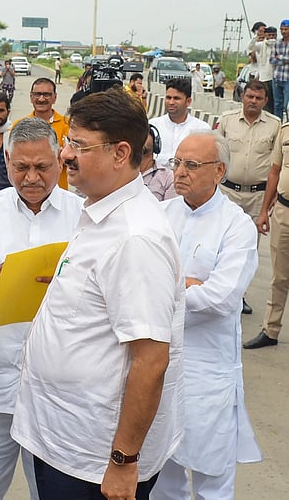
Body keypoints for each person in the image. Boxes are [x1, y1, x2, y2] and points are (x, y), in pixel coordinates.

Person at [11, 88, 184, 500]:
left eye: (80, 146)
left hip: (95, 462)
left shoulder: (135, 237)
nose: (66, 155)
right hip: (66, 440)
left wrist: (123, 462)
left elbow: (151, 359)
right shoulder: (100, 212)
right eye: (69, 141)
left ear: (120, 153)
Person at [0, 117, 83, 500]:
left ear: (59, 159)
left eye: (42, 167)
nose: (31, 177)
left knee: (54, 493)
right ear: (7, 160)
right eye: (21, 167)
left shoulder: (83, 216)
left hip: (60, 390)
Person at [153, 131, 262, 500]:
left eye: (192, 165)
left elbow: (223, 297)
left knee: (211, 481)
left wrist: (167, 287)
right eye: (177, 163)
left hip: (208, 372)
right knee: (162, 476)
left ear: (219, 171)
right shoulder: (161, 214)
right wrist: (188, 284)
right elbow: (138, 276)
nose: (180, 172)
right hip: (159, 363)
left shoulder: (237, 226)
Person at [215, 79, 281, 314]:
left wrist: (267, 205)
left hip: (257, 196)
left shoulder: (275, 126)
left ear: (265, 101)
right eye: (249, 96)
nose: (253, 101)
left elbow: (277, 167)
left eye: (258, 98)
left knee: (248, 249)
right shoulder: (226, 121)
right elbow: (216, 156)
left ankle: (238, 296)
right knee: (219, 243)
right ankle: (216, 292)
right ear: (242, 97)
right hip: (226, 192)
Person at [246, 101, 289, 348]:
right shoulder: (285, 131)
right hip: (283, 211)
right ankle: (270, 331)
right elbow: (274, 171)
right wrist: (264, 211)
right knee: (280, 276)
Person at [14, 78, 70, 190]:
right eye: (37, 94)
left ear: (55, 98)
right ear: (31, 97)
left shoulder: (67, 125)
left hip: (58, 192)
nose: (41, 99)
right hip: (26, 190)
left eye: (46, 95)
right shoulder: (19, 126)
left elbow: (71, 159)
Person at [149, 77, 210, 167]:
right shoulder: (153, 126)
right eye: (168, 98)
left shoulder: (202, 129)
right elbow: (147, 158)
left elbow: (202, 161)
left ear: (188, 101)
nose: (171, 102)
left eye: (176, 98)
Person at [141, 125, 177, 201]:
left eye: (145, 134)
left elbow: (170, 210)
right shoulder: (121, 171)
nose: (140, 138)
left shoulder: (168, 177)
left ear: (156, 145)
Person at [270, 20, 289, 122]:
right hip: (277, 77)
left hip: (287, 78)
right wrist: (285, 60)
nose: (284, 31)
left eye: (286, 29)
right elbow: (272, 60)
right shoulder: (277, 43)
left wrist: (280, 57)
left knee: (287, 105)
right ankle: (278, 125)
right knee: (277, 104)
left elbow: (277, 58)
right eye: (282, 29)